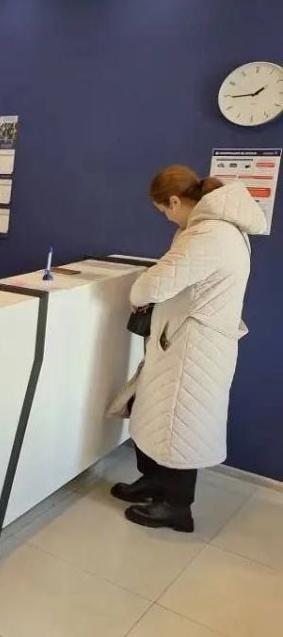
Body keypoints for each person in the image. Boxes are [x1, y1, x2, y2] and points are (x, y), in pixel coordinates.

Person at [108, 165, 266, 532]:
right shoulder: (216, 230)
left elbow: (152, 286)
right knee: (159, 414)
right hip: (184, 341)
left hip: (193, 348)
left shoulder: (209, 235)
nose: (166, 218)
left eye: (164, 210)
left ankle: (176, 507)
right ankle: (154, 482)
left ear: (176, 201)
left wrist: (140, 291)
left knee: (181, 424)